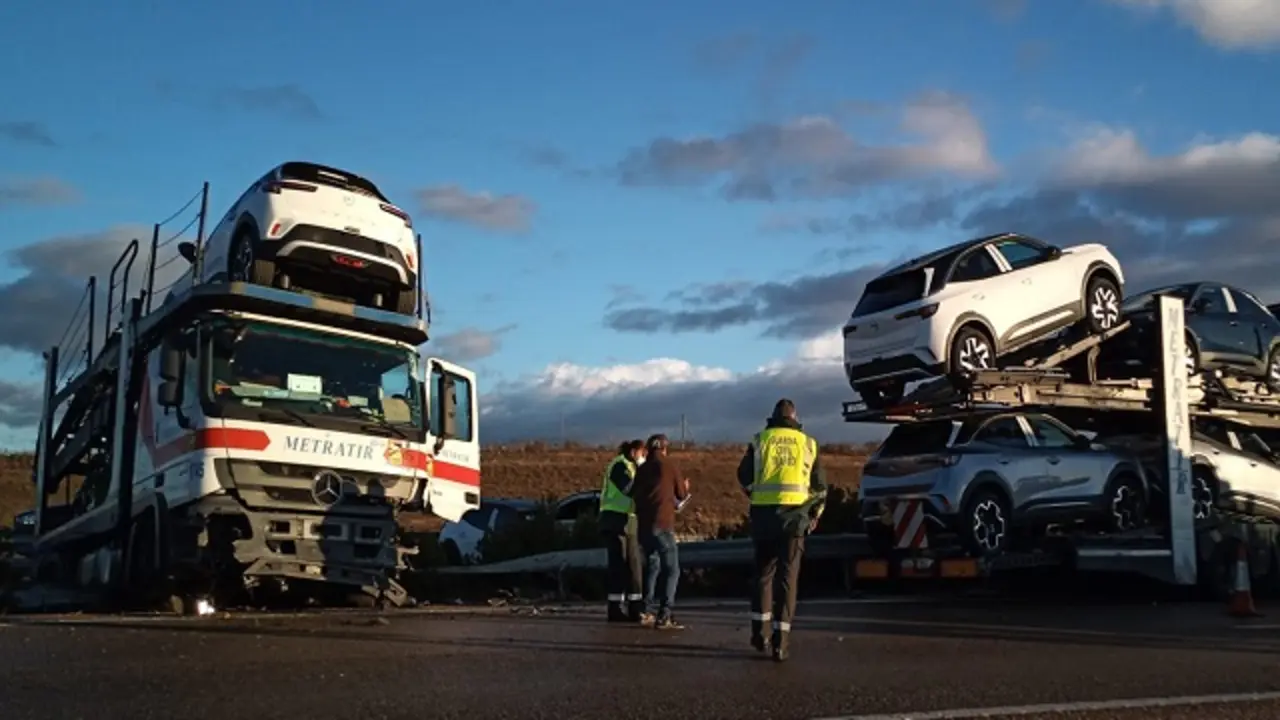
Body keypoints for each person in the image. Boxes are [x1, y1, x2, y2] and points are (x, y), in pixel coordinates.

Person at [737, 398, 827, 662]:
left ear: (773, 416)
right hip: (795, 519)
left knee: (763, 577)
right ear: (795, 416)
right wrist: (814, 514)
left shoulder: (760, 440)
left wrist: (755, 497)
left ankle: (760, 633)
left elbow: (743, 476)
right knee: (788, 580)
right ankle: (781, 642)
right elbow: (820, 487)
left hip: (764, 518)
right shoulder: (808, 444)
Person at [632, 433, 689, 630]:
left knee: (653, 565)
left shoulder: (642, 468)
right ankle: (665, 615)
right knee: (672, 569)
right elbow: (681, 494)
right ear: (664, 448)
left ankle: (646, 609)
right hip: (663, 524)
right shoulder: (669, 465)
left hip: (643, 526)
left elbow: (633, 493)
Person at [597, 439, 648, 623]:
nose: (644, 457)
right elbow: (629, 489)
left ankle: (635, 607)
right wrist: (642, 471)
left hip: (628, 520)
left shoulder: (630, 466)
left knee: (633, 565)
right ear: (634, 452)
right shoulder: (620, 465)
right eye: (643, 454)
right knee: (618, 564)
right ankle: (615, 608)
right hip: (615, 519)